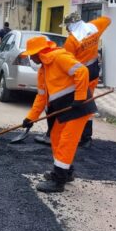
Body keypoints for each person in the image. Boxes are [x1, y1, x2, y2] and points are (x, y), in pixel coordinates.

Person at [20, 36, 95, 193]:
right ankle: (66, 172)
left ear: (39, 52)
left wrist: (80, 97)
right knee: (56, 137)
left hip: (78, 107)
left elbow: (82, 71)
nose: (30, 58)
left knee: (66, 142)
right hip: (64, 108)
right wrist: (31, 118)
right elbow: (41, 96)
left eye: (31, 54)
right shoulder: (43, 70)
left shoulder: (60, 57)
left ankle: (58, 181)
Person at [34, 12, 110, 148]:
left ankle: (54, 135)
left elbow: (68, 62)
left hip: (80, 75)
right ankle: (86, 138)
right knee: (87, 102)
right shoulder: (95, 27)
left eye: (68, 26)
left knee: (61, 103)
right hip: (93, 71)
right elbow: (107, 20)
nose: (67, 29)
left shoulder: (72, 41)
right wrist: (91, 25)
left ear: (72, 25)